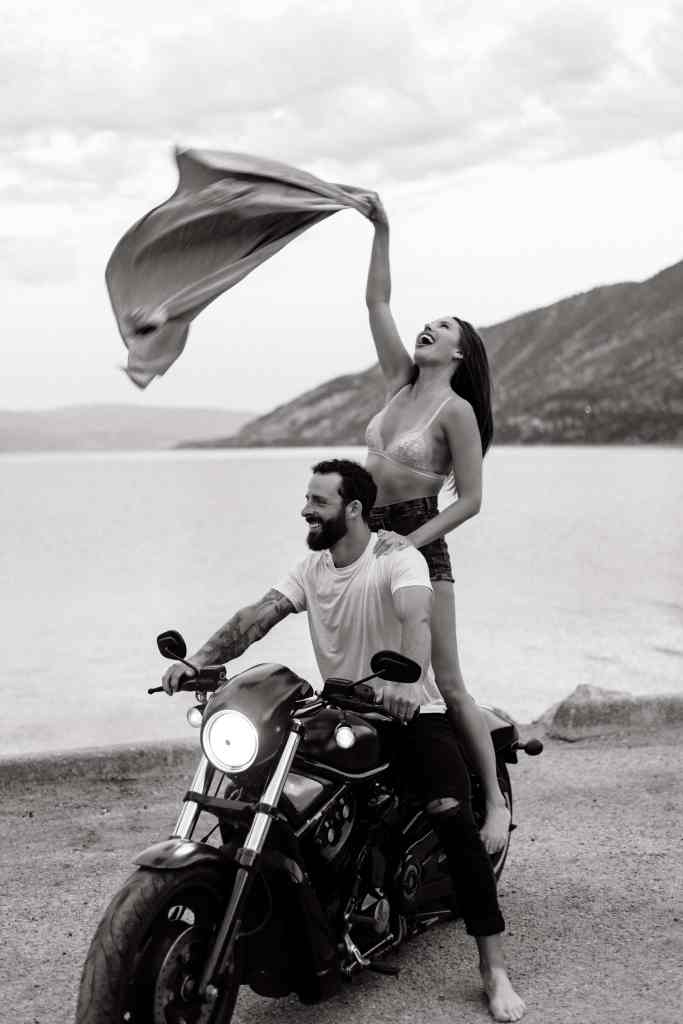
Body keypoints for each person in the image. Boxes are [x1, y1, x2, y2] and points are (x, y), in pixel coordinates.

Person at [162, 459, 525, 1022]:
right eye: (307, 499)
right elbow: (257, 616)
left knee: (451, 815)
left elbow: (416, 617)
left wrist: (406, 678)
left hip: (410, 709)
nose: (305, 510)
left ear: (353, 509)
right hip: (340, 707)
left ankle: (494, 969)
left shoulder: (396, 558)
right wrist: (199, 661)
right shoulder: (312, 567)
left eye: (318, 501)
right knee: (261, 790)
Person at [362, 195, 510, 856]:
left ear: (459, 351)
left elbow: (470, 500)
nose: (426, 327)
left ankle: (494, 803)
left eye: (441, 326)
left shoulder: (456, 412)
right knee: (371, 675)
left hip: (418, 538)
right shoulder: (398, 384)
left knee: (445, 682)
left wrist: (411, 543)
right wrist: (381, 229)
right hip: (367, 538)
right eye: (427, 322)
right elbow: (377, 302)